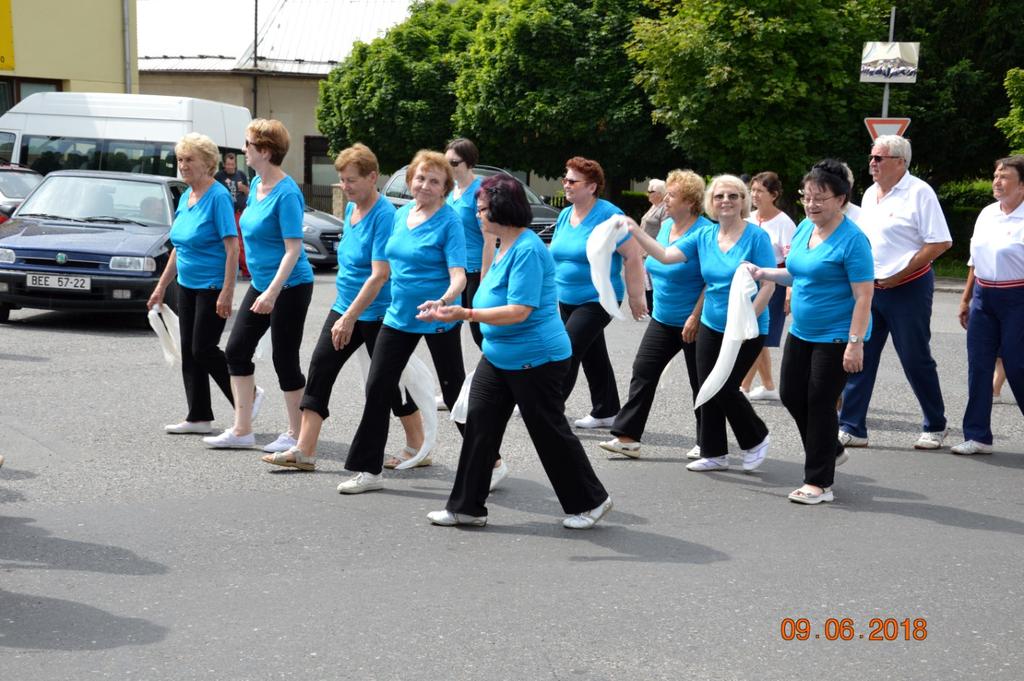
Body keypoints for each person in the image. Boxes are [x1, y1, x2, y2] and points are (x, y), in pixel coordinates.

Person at [422, 175, 612, 529]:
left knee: (548, 432)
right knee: (479, 425)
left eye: (482, 209)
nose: (477, 215)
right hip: (499, 356)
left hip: (535, 359)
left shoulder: (527, 250)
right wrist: (447, 302)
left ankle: (592, 501)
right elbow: (483, 290)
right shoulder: (499, 243)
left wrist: (466, 314)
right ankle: (466, 507)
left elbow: (519, 310)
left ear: (502, 210)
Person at [260, 143, 425, 471]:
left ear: (372, 177)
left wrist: (349, 318)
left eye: (351, 180)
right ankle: (305, 450)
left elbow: (380, 275)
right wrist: (345, 312)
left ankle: (418, 446)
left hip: (378, 312)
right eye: (342, 180)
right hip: (345, 306)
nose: (344, 187)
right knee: (321, 369)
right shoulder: (351, 210)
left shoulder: (385, 216)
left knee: (388, 383)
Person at [336, 150, 467, 494]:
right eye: (420, 178)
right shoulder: (402, 213)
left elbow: (459, 275)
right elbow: (387, 265)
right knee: (378, 388)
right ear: (410, 181)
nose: (425, 185)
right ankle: (369, 470)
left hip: (436, 316)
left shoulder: (449, 221)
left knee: (454, 396)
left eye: (434, 181)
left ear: (444, 188)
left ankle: (492, 461)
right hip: (398, 316)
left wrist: (444, 300)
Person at [749, 160, 874, 504]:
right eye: (807, 196)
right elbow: (797, 273)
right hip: (802, 330)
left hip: (837, 335)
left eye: (821, 198)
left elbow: (864, 295)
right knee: (791, 395)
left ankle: (819, 483)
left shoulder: (853, 241)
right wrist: (764, 272)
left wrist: (855, 343)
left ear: (841, 199)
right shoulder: (805, 228)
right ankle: (829, 448)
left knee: (819, 404)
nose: (811, 204)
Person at [202, 119, 315, 452]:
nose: (242, 149)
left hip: (290, 286)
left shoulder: (287, 193)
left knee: (285, 359)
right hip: (263, 284)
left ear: (264, 151)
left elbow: (294, 250)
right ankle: (242, 430)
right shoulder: (255, 186)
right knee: (236, 351)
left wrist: (272, 293)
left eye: (248, 144)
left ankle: (296, 434)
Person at [838, 135, 952, 450]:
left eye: (879, 158)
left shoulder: (919, 192)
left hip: (908, 286)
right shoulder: (872, 193)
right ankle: (852, 425)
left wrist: (901, 273)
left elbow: (940, 242)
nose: (872, 163)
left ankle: (935, 424)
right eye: (872, 157)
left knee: (915, 357)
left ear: (900, 162)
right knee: (860, 355)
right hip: (871, 288)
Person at [599, 170, 711, 459]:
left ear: (690, 201)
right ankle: (628, 437)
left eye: (672, 195)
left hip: (694, 320)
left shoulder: (704, 232)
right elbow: (652, 257)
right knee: (643, 371)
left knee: (701, 381)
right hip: (664, 317)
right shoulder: (666, 226)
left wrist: (696, 316)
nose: (666, 200)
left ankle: (708, 442)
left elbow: (710, 279)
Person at [669, 175, 776, 473]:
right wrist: (631, 232)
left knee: (727, 387)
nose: (726, 201)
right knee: (708, 386)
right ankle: (714, 452)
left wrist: (745, 321)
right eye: (719, 196)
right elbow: (666, 255)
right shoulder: (705, 236)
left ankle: (756, 437)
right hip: (712, 324)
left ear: (743, 201)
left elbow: (768, 285)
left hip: (747, 328)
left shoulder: (756, 237)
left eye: (733, 196)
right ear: (710, 203)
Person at [148, 133, 239, 435]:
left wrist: (228, 290)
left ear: (208, 164)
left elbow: (232, 247)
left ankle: (246, 397)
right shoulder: (186, 196)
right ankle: (199, 416)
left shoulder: (218, 196)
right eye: (181, 160)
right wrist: (162, 286)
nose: (183, 165)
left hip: (212, 284)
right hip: (185, 284)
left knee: (204, 348)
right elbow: (179, 246)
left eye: (189, 160)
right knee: (189, 350)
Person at [549, 156, 647, 429]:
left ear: (591, 187)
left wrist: (637, 296)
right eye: (565, 179)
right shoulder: (566, 214)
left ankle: (550, 407)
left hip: (598, 298)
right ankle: (606, 410)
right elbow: (556, 255)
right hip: (565, 297)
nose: (565, 184)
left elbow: (633, 256)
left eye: (572, 181)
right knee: (593, 353)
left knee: (566, 347)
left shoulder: (610, 216)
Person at [443, 138, 508, 484]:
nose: (449, 167)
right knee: (451, 330)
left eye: (454, 163)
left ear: (468, 163)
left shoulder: (477, 192)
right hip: (450, 270)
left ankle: (501, 383)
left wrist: (483, 280)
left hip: (471, 270)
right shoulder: (450, 193)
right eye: (446, 162)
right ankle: (459, 385)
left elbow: (487, 239)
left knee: (481, 332)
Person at [952, 155, 1024, 455]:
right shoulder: (986, 214)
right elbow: (974, 259)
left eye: (1005, 176)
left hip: (1017, 297)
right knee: (979, 365)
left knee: (1017, 364)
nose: (997, 181)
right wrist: (966, 298)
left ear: (1022, 185)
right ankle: (978, 435)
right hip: (983, 295)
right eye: (995, 174)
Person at [741, 172, 795, 401]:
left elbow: (792, 262)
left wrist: (790, 291)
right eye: (752, 190)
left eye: (760, 191)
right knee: (754, 333)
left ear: (773, 195)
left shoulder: (784, 223)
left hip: (772, 285)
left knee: (756, 335)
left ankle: (742, 385)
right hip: (746, 284)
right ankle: (769, 385)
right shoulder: (748, 218)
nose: (754, 195)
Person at [214, 152, 250, 278]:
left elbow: (248, 192)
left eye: (232, 164)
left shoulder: (241, 175)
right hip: (228, 213)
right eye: (228, 165)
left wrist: (244, 189)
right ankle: (239, 268)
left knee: (243, 242)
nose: (230, 167)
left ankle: (246, 270)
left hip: (241, 212)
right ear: (224, 165)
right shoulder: (219, 176)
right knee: (235, 242)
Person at [640, 178, 668, 312]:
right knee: (646, 289)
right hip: (643, 253)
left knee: (651, 291)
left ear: (660, 193)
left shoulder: (664, 209)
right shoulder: (654, 206)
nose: (648, 194)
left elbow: (664, 233)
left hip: (652, 254)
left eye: (651, 191)